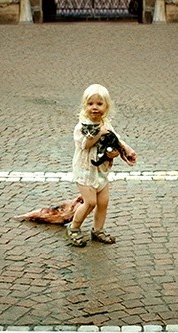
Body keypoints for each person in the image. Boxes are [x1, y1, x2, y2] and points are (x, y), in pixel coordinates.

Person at [66, 84, 137, 247]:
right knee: (90, 202)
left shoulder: (105, 124)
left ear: (106, 106)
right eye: (91, 104)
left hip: (101, 170)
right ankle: (74, 227)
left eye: (99, 104)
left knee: (103, 202)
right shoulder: (82, 127)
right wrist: (99, 132)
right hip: (85, 170)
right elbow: (85, 144)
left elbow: (115, 139)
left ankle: (98, 230)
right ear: (85, 106)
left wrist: (124, 150)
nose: (95, 108)